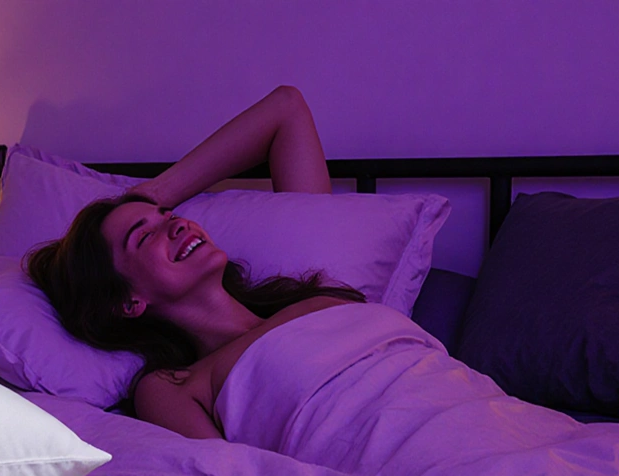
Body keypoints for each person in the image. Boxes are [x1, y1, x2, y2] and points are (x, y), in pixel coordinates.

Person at [26, 85, 365, 440]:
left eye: (168, 215)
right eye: (144, 236)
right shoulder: (171, 386)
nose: (177, 223)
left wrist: (154, 193)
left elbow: (287, 106)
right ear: (128, 302)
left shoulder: (309, 298)